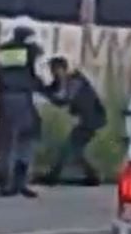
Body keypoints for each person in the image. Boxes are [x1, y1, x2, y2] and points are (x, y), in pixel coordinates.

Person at [0, 20, 45, 198]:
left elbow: (1, 74)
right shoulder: (29, 51)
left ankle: (5, 184)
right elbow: (36, 59)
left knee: (7, 143)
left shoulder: (3, 50)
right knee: (26, 139)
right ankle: (20, 183)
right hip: (22, 98)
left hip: (4, 97)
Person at [41, 56, 106, 186]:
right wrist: (41, 89)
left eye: (54, 69)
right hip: (86, 119)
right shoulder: (64, 81)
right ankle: (92, 177)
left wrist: (43, 91)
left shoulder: (75, 81)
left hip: (90, 119)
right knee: (74, 150)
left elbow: (63, 100)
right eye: (51, 70)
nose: (52, 73)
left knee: (70, 148)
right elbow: (54, 93)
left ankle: (53, 177)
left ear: (62, 69)